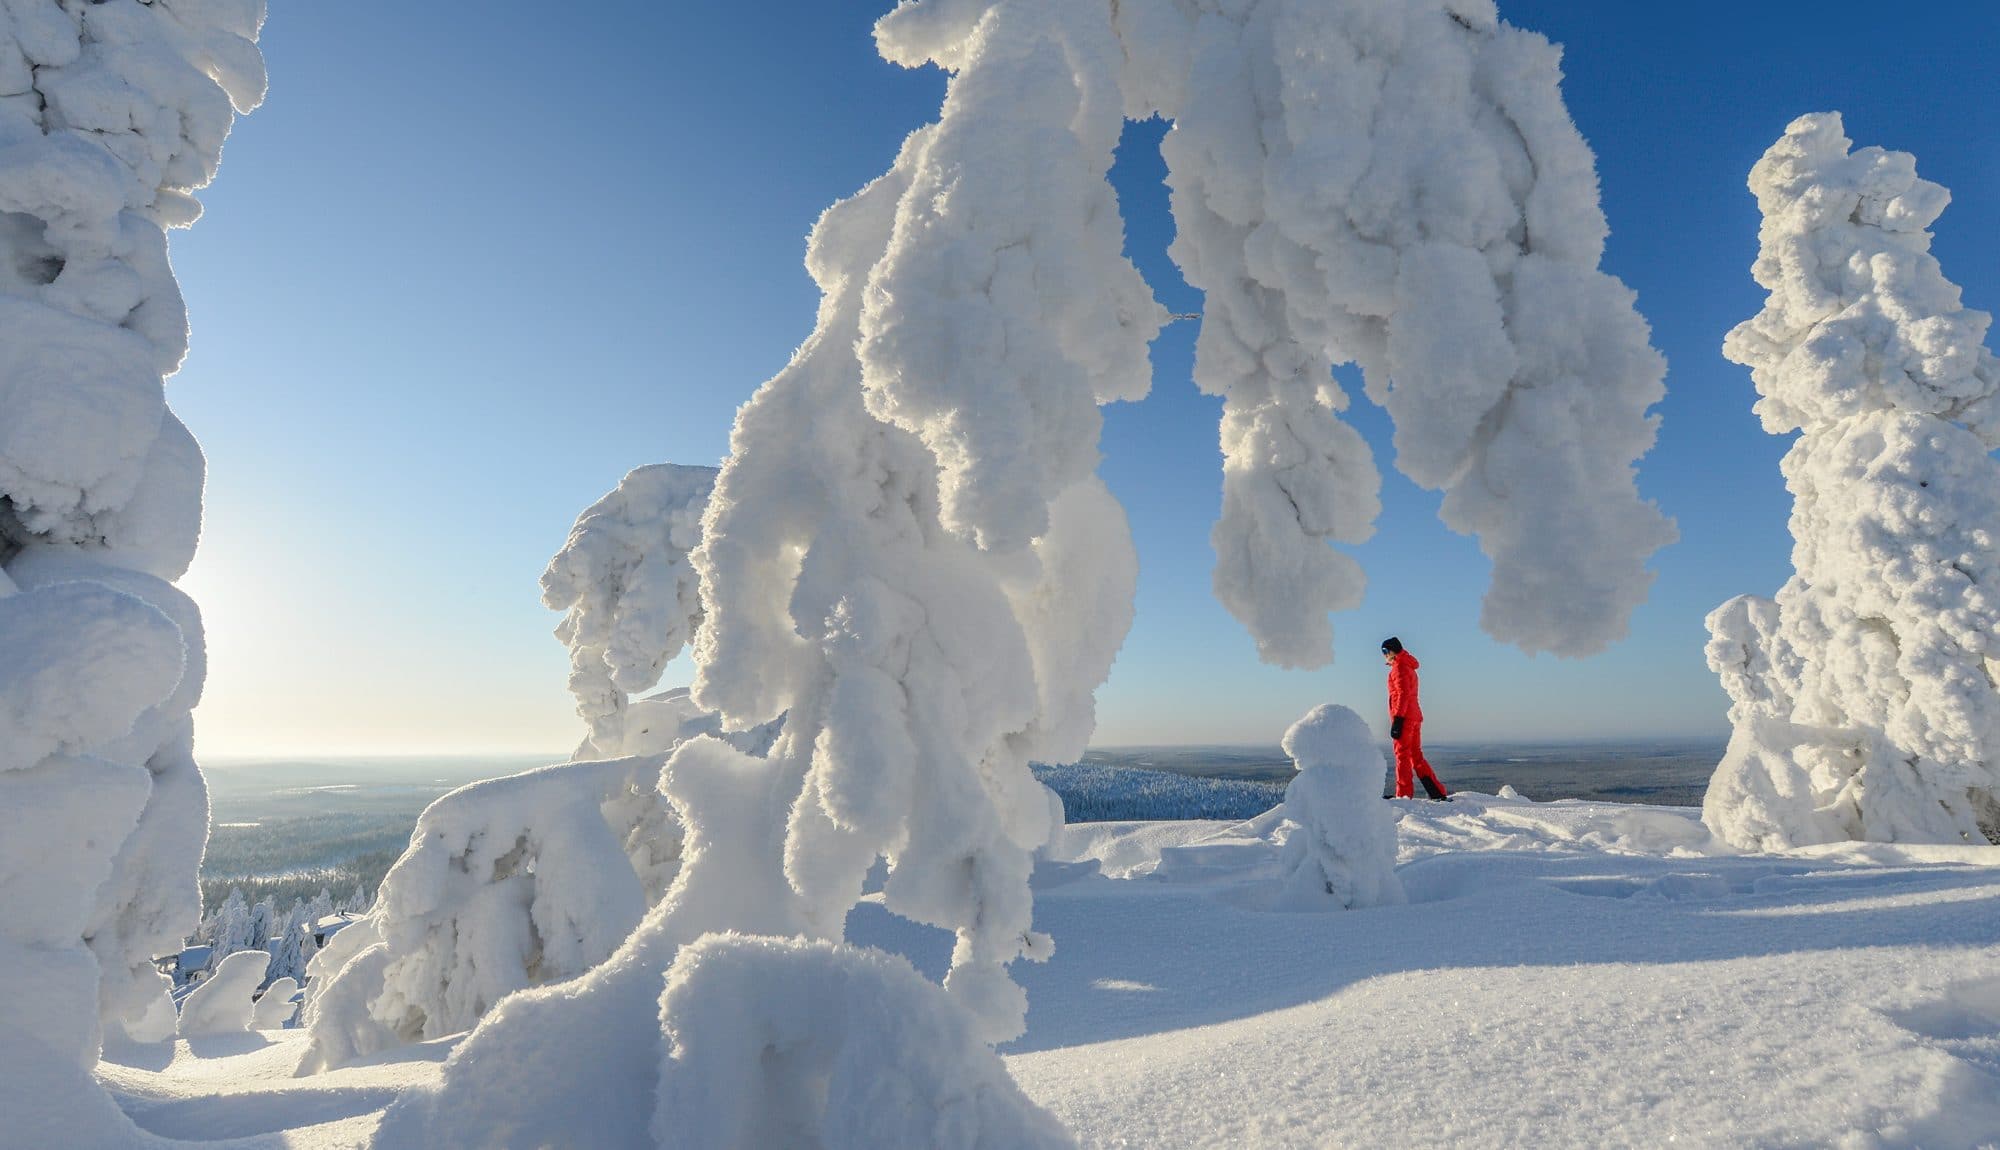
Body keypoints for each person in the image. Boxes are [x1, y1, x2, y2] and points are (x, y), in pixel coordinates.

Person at [1382, 637, 1449, 801]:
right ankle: (1436, 792)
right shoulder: (1408, 666)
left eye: (1384, 651)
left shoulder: (1399, 667)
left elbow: (1403, 694)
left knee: (1402, 755)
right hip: (1414, 716)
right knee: (1415, 755)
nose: (1383, 655)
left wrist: (1397, 719)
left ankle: (1403, 795)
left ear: (1391, 651)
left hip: (1405, 718)